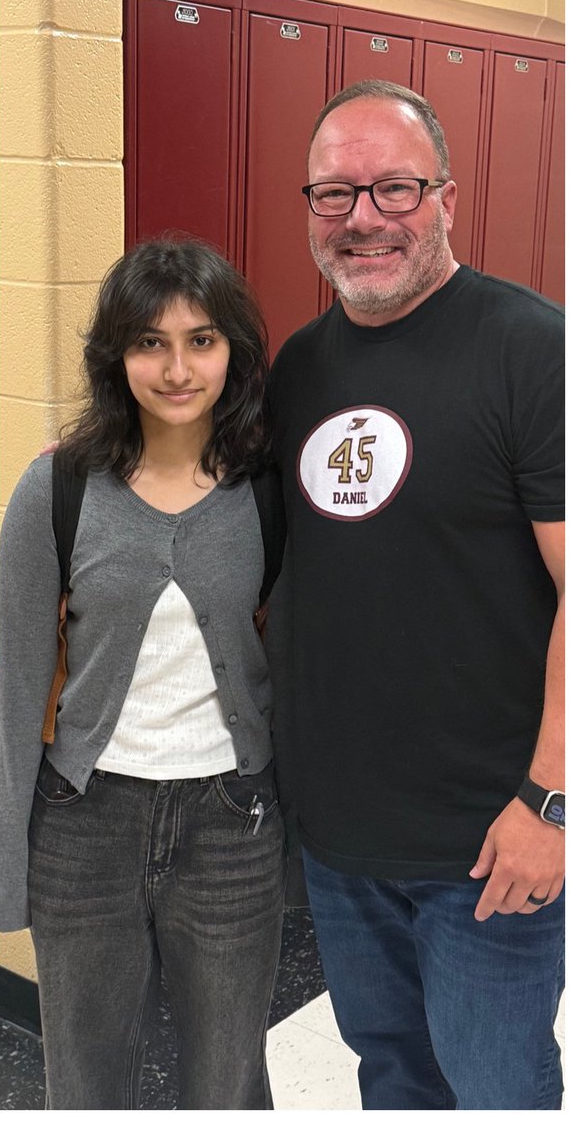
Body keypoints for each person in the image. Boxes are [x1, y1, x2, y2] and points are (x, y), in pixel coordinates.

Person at [267, 79, 565, 1110]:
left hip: (487, 843)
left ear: (446, 197)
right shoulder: (299, 369)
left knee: (498, 1087)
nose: (363, 219)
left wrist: (552, 802)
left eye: (393, 188)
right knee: (392, 1077)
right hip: (344, 842)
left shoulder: (534, 349)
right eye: (334, 194)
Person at [0, 237, 285, 1109]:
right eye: (149, 343)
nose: (176, 368)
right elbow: (12, 684)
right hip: (86, 823)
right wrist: (8, 869)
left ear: (232, 350)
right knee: (84, 1081)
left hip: (233, 823)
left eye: (201, 340)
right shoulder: (57, 488)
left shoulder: (268, 490)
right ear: (115, 356)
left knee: (226, 1081)